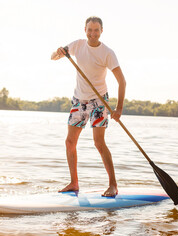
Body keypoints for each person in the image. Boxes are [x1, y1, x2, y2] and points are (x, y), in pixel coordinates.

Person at [51, 16, 126, 197]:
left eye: (96, 30)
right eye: (90, 30)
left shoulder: (107, 52)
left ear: (101, 31)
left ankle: (113, 185)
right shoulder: (77, 45)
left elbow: (122, 81)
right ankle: (74, 183)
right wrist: (59, 52)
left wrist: (119, 109)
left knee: (99, 143)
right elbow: (54, 57)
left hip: (99, 102)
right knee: (70, 142)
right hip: (79, 101)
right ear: (85, 30)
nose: (93, 34)